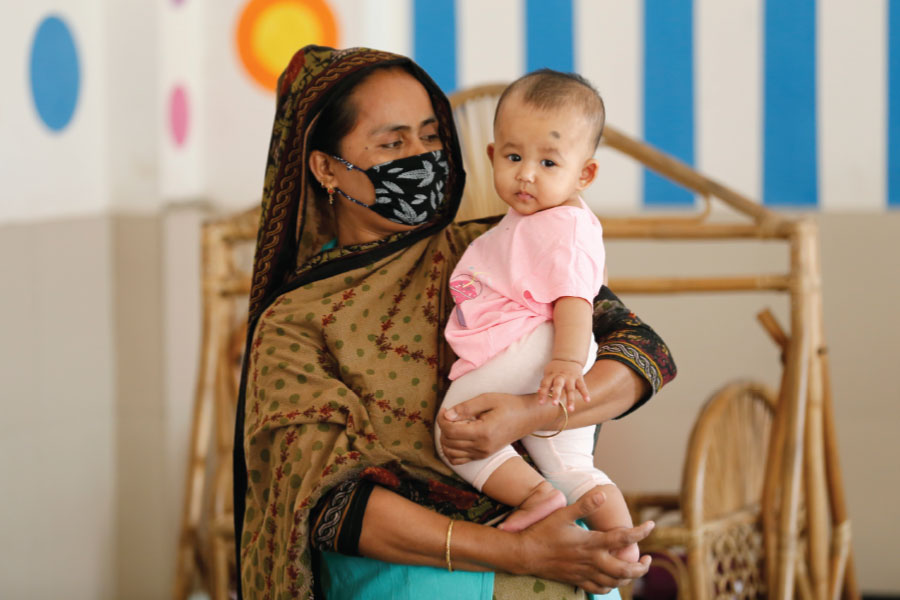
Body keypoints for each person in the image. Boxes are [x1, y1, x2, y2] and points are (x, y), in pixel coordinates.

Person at [233, 45, 677, 600]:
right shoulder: (294, 321)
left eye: (430, 137)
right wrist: (521, 552)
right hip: (415, 580)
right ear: (325, 167)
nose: (421, 157)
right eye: (393, 143)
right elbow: (327, 500)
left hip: (569, 563)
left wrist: (530, 413)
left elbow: (641, 354)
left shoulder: (488, 250)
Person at [434, 69, 636, 559]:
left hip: (540, 349)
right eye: (514, 157)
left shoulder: (565, 228)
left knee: (454, 427)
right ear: (492, 156)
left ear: (584, 175)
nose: (526, 173)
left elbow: (575, 302)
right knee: (574, 469)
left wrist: (565, 363)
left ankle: (534, 497)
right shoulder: (535, 220)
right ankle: (623, 548)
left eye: (548, 161)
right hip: (546, 354)